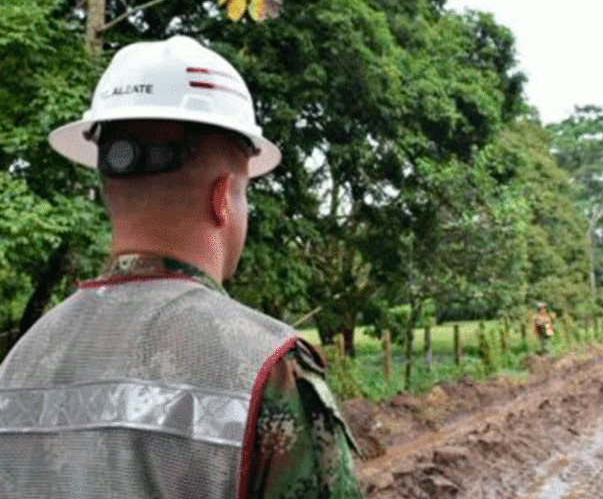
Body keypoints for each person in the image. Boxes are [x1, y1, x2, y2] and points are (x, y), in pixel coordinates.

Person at [0, 36, 362, 499]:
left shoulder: (19, 364)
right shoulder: (269, 368)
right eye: (245, 193)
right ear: (221, 199)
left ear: (110, 190)